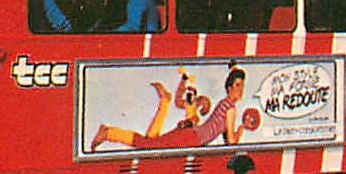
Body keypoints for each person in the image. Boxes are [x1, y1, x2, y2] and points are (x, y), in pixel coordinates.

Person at [91, 67, 249, 151]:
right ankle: (108, 133)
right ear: (229, 87)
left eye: (242, 86)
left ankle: (164, 102)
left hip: (191, 134)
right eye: (237, 85)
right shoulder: (230, 109)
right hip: (191, 138)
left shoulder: (223, 103)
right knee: (148, 146)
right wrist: (242, 127)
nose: (240, 90)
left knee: (150, 144)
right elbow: (232, 143)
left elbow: (227, 138)